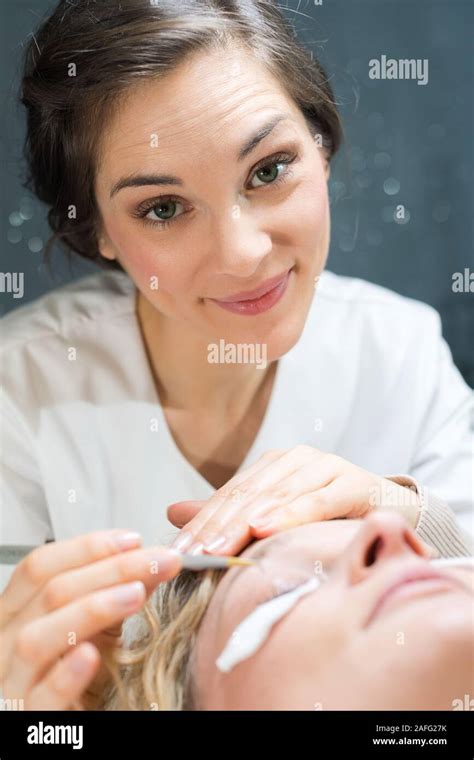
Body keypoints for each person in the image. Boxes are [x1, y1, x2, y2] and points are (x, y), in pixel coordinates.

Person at [0, 0, 472, 682]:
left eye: (269, 169)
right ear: (96, 230)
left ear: (323, 145)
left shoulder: (400, 354)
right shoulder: (19, 396)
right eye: (163, 209)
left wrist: (402, 508)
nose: (244, 253)